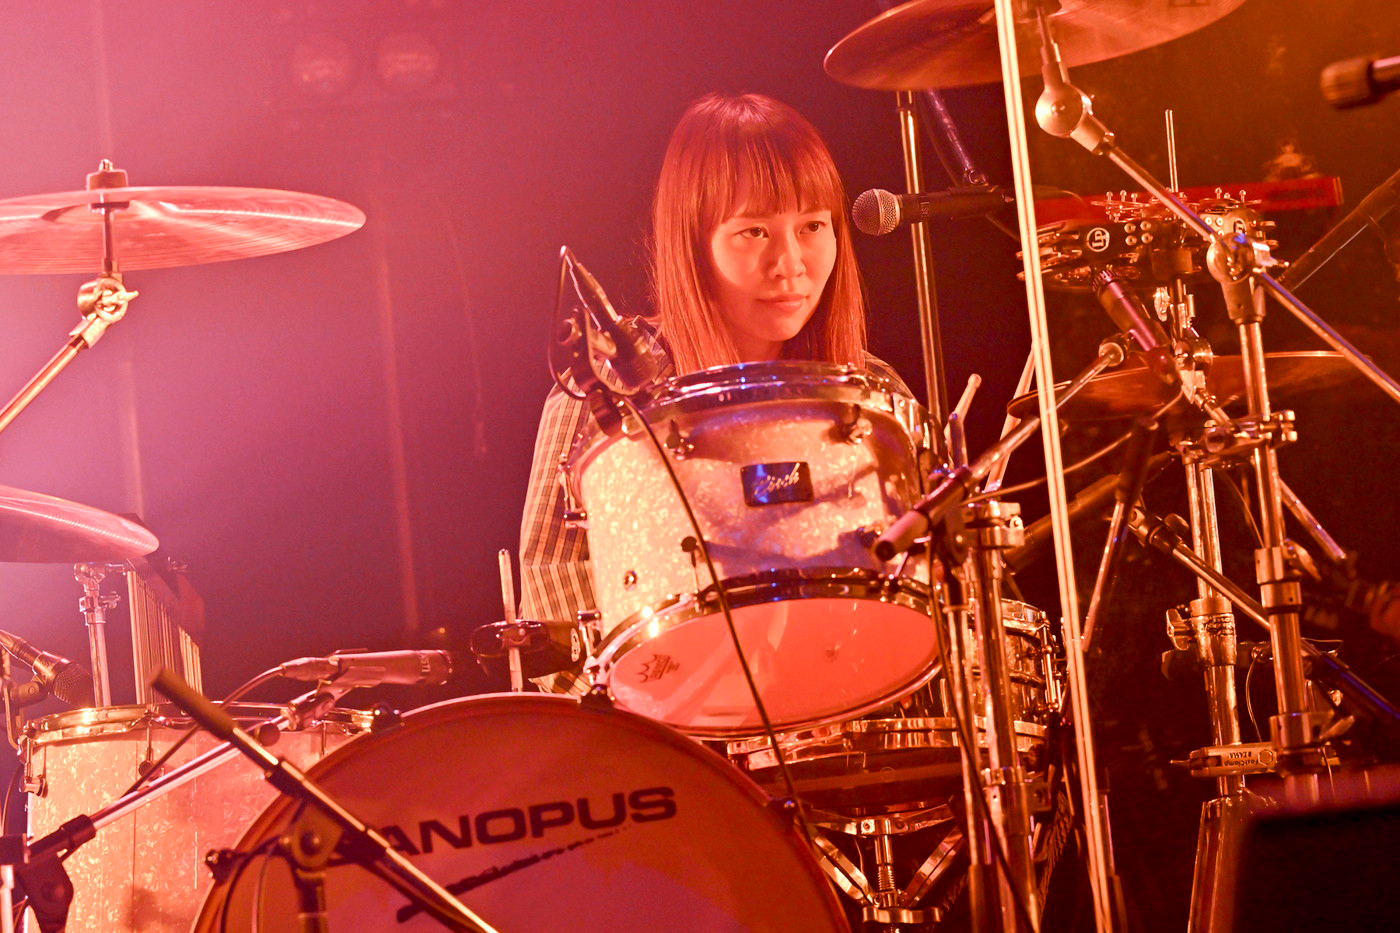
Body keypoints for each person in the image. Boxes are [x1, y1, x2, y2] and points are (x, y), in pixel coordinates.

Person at [518, 91, 909, 693]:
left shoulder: (874, 391)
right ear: (693, 244)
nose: (790, 263)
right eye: (754, 231)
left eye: (812, 227)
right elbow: (553, 593)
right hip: (667, 730)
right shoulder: (608, 387)